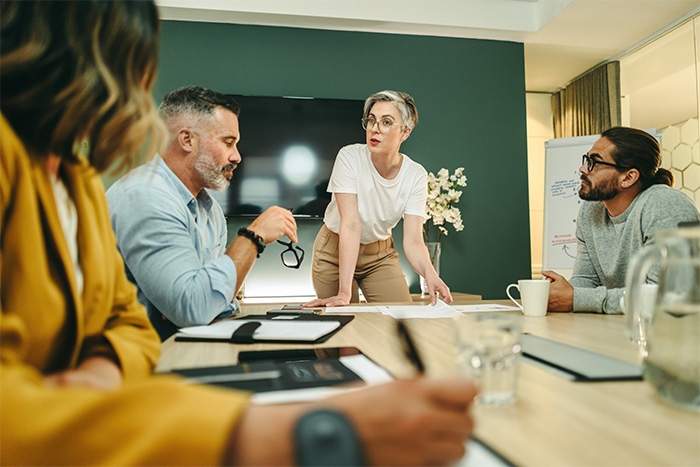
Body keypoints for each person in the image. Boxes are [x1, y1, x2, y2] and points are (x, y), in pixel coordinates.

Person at [0, 1, 477, 465]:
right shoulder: (129, 191)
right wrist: (252, 238)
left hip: (110, 406)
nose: (137, 96)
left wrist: (103, 368)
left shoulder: (79, 180)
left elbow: (126, 319)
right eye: (131, 67)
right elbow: (191, 305)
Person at [106, 86, 296, 341]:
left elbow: (216, 302)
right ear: (187, 140)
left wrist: (205, 300)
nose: (237, 156)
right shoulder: (145, 196)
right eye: (228, 143)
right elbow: (194, 309)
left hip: (184, 349)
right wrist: (254, 236)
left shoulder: (211, 210)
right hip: (137, 364)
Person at [305, 91, 452, 308]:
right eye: (372, 120)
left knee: (401, 322)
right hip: (334, 252)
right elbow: (351, 225)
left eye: (386, 122)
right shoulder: (349, 157)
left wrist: (429, 273)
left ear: (405, 132)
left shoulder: (415, 175)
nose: (375, 128)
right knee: (343, 321)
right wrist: (344, 292)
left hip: (379, 256)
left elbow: (412, 240)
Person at [544, 127, 700, 314]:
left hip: (674, 333)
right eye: (586, 160)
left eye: (594, 162)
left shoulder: (666, 205)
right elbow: (585, 280)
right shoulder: (591, 210)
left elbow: (668, 295)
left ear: (628, 177)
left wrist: (576, 298)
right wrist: (558, 293)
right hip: (622, 327)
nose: (583, 169)